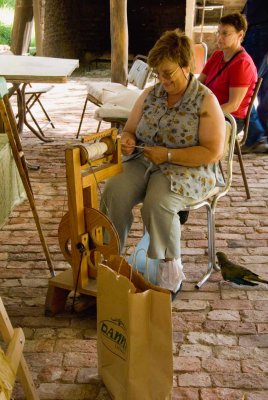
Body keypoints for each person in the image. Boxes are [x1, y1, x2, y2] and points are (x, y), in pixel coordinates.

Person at [100, 29, 225, 295]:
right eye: (158, 73)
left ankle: (170, 273)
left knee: (159, 204)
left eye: (168, 73)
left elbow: (212, 152)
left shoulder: (205, 100)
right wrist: (129, 140)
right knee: (114, 191)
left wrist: (168, 155)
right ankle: (111, 261)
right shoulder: (150, 95)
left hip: (187, 168)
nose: (162, 80)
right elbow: (130, 129)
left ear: (186, 66)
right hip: (145, 161)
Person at [198, 13, 258, 137]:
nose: (219, 38)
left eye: (225, 33)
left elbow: (233, 105)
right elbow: (198, 84)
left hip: (230, 118)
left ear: (240, 35)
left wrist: (203, 114)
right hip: (210, 109)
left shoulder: (242, 64)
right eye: (218, 32)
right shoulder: (217, 55)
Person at [241, 0, 268, 153]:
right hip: (255, 31)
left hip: (259, 34)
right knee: (263, 90)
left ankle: (256, 136)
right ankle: (261, 137)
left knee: (243, 88)